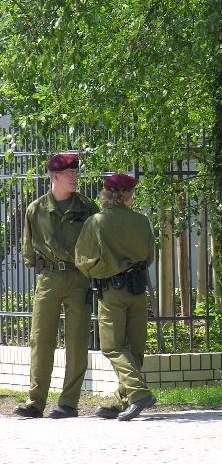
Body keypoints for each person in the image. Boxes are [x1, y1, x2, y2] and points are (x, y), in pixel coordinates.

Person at [14, 154, 99, 419]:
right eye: (70, 174)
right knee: (41, 339)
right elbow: (28, 247)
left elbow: (96, 242)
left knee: (76, 339)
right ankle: (35, 401)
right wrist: (38, 266)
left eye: (76, 173)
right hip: (48, 278)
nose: (75, 178)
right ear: (55, 177)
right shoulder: (36, 209)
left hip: (78, 277)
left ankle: (69, 403)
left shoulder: (87, 208)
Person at [75, 173, 156, 421]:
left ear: (106, 195)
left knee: (112, 346)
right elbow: (149, 256)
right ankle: (124, 400)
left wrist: (106, 271)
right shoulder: (142, 222)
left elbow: (83, 261)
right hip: (138, 290)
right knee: (135, 348)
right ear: (128, 196)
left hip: (113, 291)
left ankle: (138, 394)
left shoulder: (96, 221)